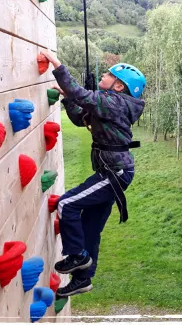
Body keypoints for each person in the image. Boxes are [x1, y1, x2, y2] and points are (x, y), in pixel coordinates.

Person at [40, 50, 146, 297]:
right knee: (90, 227)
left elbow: (82, 95)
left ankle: (77, 256)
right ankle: (83, 279)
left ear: (119, 86)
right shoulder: (109, 103)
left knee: (67, 205)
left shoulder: (114, 102)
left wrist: (59, 67)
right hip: (113, 172)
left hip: (114, 174)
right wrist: (68, 99)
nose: (104, 75)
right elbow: (80, 118)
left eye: (109, 74)